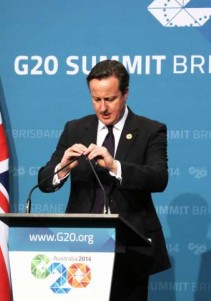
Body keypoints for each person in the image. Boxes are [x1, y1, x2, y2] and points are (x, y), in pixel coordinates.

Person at [38, 59, 171, 300]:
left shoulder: (150, 130)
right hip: (79, 250)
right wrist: (62, 168)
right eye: (96, 99)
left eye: (110, 99)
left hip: (129, 251)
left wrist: (115, 166)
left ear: (126, 94)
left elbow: (158, 178)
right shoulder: (75, 129)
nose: (103, 108)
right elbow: (45, 181)